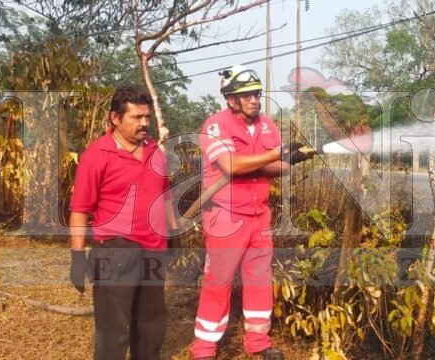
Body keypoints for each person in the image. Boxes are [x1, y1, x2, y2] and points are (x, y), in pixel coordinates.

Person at [190, 65, 313, 360]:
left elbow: (279, 168)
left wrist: (290, 159)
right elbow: (231, 166)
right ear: (231, 99)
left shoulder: (268, 125)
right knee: (218, 281)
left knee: (259, 280)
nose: (254, 100)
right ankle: (204, 348)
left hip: (260, 215)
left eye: (256, 94)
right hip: (225, 216)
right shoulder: (216, 125)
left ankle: (258, 343)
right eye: (246, 96)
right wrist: (274, 155)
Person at [69, 85, 175, 360]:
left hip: (153, 249)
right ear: (115, 118)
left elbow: (164, 194)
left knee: (151, 324)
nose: (144, 124)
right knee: (114, 329)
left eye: (147, 117)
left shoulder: (154, 150)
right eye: (136, 117)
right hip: (115, 248)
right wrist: (77, 257)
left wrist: (173, 233)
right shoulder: (97, 154)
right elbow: (80, 209)